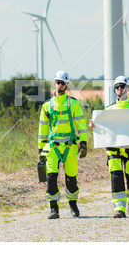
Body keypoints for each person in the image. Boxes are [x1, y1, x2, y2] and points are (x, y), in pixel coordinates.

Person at [89, 76, 129, 218]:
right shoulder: (109, 109)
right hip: (114, 150)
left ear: (128, 89)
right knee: (116, 179)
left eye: (122, 86)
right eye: (117, 87)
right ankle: (119, 209)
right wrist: (94, 126)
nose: (120, 89)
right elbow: (104, 129)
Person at [38, 70, 88, 219]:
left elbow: (81, 124)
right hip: (52, 147)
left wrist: (83, 142)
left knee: (71, 178)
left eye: (62, 83)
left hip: (70, 146)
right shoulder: (47, 105)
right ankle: (54, 208)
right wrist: (41, 148)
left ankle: (73, 205)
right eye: (57, 82)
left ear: (66, 85)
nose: (59, 85)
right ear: (54, 84)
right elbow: (43, 128)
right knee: (51, 178)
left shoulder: (73, 103)